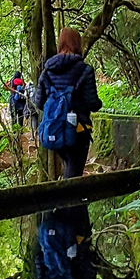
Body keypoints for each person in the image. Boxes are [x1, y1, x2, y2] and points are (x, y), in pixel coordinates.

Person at [34, 27, 102, 178]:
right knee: (74, 174)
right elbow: (92, 103)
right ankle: (65, 201)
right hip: (79, 129)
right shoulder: (85, 70)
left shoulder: (47, 71)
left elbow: (39, 103)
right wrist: (98, 104)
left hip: (55, 129)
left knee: (71, 170)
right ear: (77, 44)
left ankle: (69, 200)